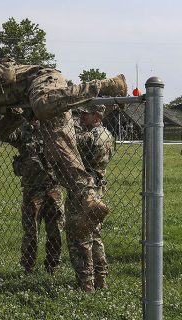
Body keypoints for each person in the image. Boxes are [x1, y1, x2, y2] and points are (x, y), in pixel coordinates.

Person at [0, 59, 126, 237]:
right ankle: (89, 199)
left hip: (42, 82)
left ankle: (106, 85)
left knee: (41, 104)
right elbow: (15, 117)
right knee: (56, 154)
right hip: (35, 97)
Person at [65, 105, 114, 292]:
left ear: (97, 116)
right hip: (97, 187)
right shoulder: (106, 134)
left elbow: (69, 140)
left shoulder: (89, 137)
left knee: (79, 236)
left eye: (86, 113)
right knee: (94, 236)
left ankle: (85, 283)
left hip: (84, 191)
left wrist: (68, 121)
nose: (82, 116)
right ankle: (101, 279)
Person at [7, 119, 64, 274]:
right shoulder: (23, 131)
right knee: (31, 231)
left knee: (55, 230)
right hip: (32, 189)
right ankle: (27, 267)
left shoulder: (54, 128)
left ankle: (53, 266)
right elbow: (6, 134)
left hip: (53, 188)